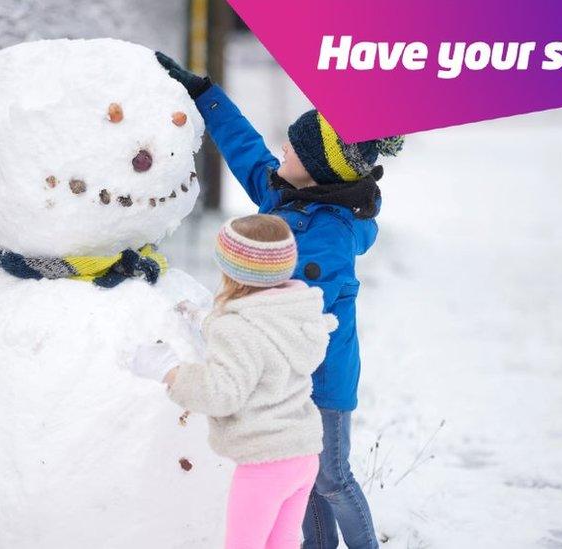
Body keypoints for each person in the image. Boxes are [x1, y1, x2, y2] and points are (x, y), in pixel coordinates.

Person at [155, 52, 405, 549]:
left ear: (313, 172)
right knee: (303, 474)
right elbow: (246, 149)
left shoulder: (329, 235)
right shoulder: (286, 196)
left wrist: (225, 322)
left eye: (290, 150)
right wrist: (205, 94)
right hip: (286, 376)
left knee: (330, 477)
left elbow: (295, 310)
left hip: (323, 377)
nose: (280, 154)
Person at [129, 214, 338, 549]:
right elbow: (257, 337)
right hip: (302, 456)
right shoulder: (294, 313)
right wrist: (205, 321)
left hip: (264, 465)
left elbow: (221, 392)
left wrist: (169, 370)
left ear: (234, 274)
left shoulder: (238, 329)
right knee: (281, 543)